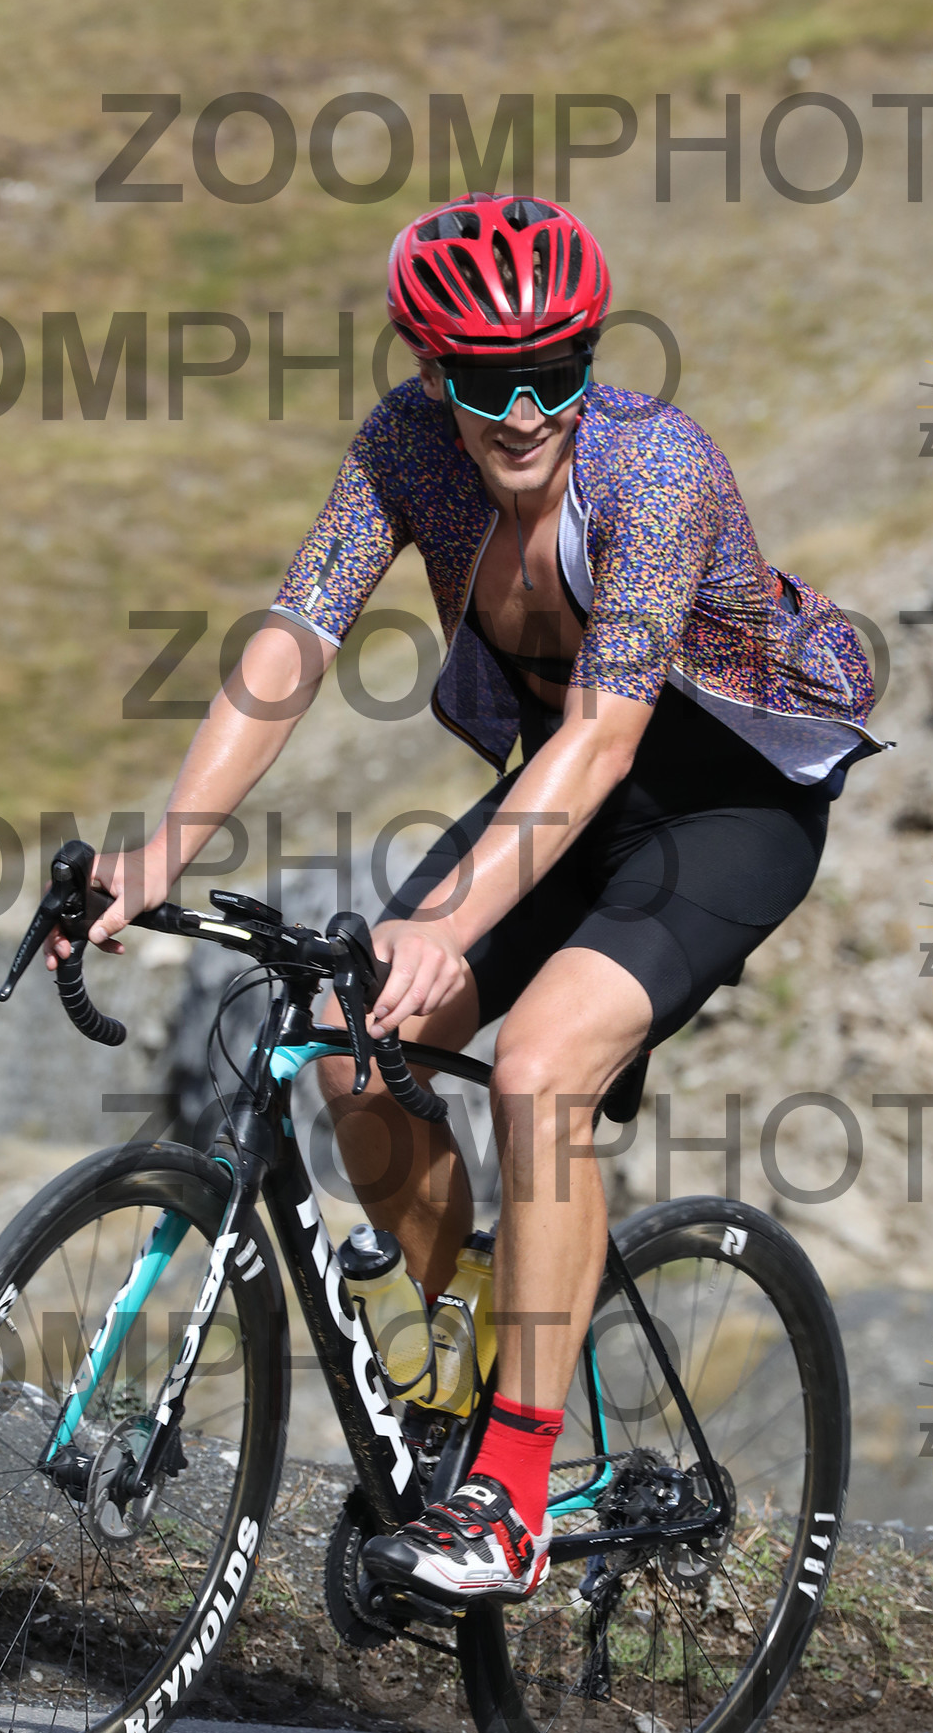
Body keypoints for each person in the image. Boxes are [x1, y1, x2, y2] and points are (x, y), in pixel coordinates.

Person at [64, 192, 881, 1605]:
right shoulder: (405, 445)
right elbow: (296, 638)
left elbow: (607, 735)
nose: (522, 414)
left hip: (723, 807)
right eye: (484, 382)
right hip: (567, 796)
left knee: (539, 1068)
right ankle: (468, 1366)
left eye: (554, 374)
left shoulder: (655, 468)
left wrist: (447, 928)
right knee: (348, 1037)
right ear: (428, 369)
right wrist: (160, 854)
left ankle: (510, 1498)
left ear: (590, 358)